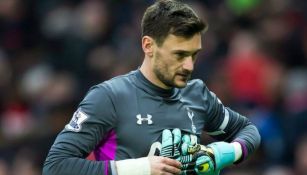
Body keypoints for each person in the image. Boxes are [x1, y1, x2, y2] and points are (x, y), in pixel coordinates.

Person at [43, 0, 261, 175]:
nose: (189, 65)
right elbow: (56, 166)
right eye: (179, 54)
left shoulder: (198, 95)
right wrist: (140, 168)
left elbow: (248, 130)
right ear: (148, 45)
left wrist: (224, 153)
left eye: (194, 54)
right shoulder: (110, 96)